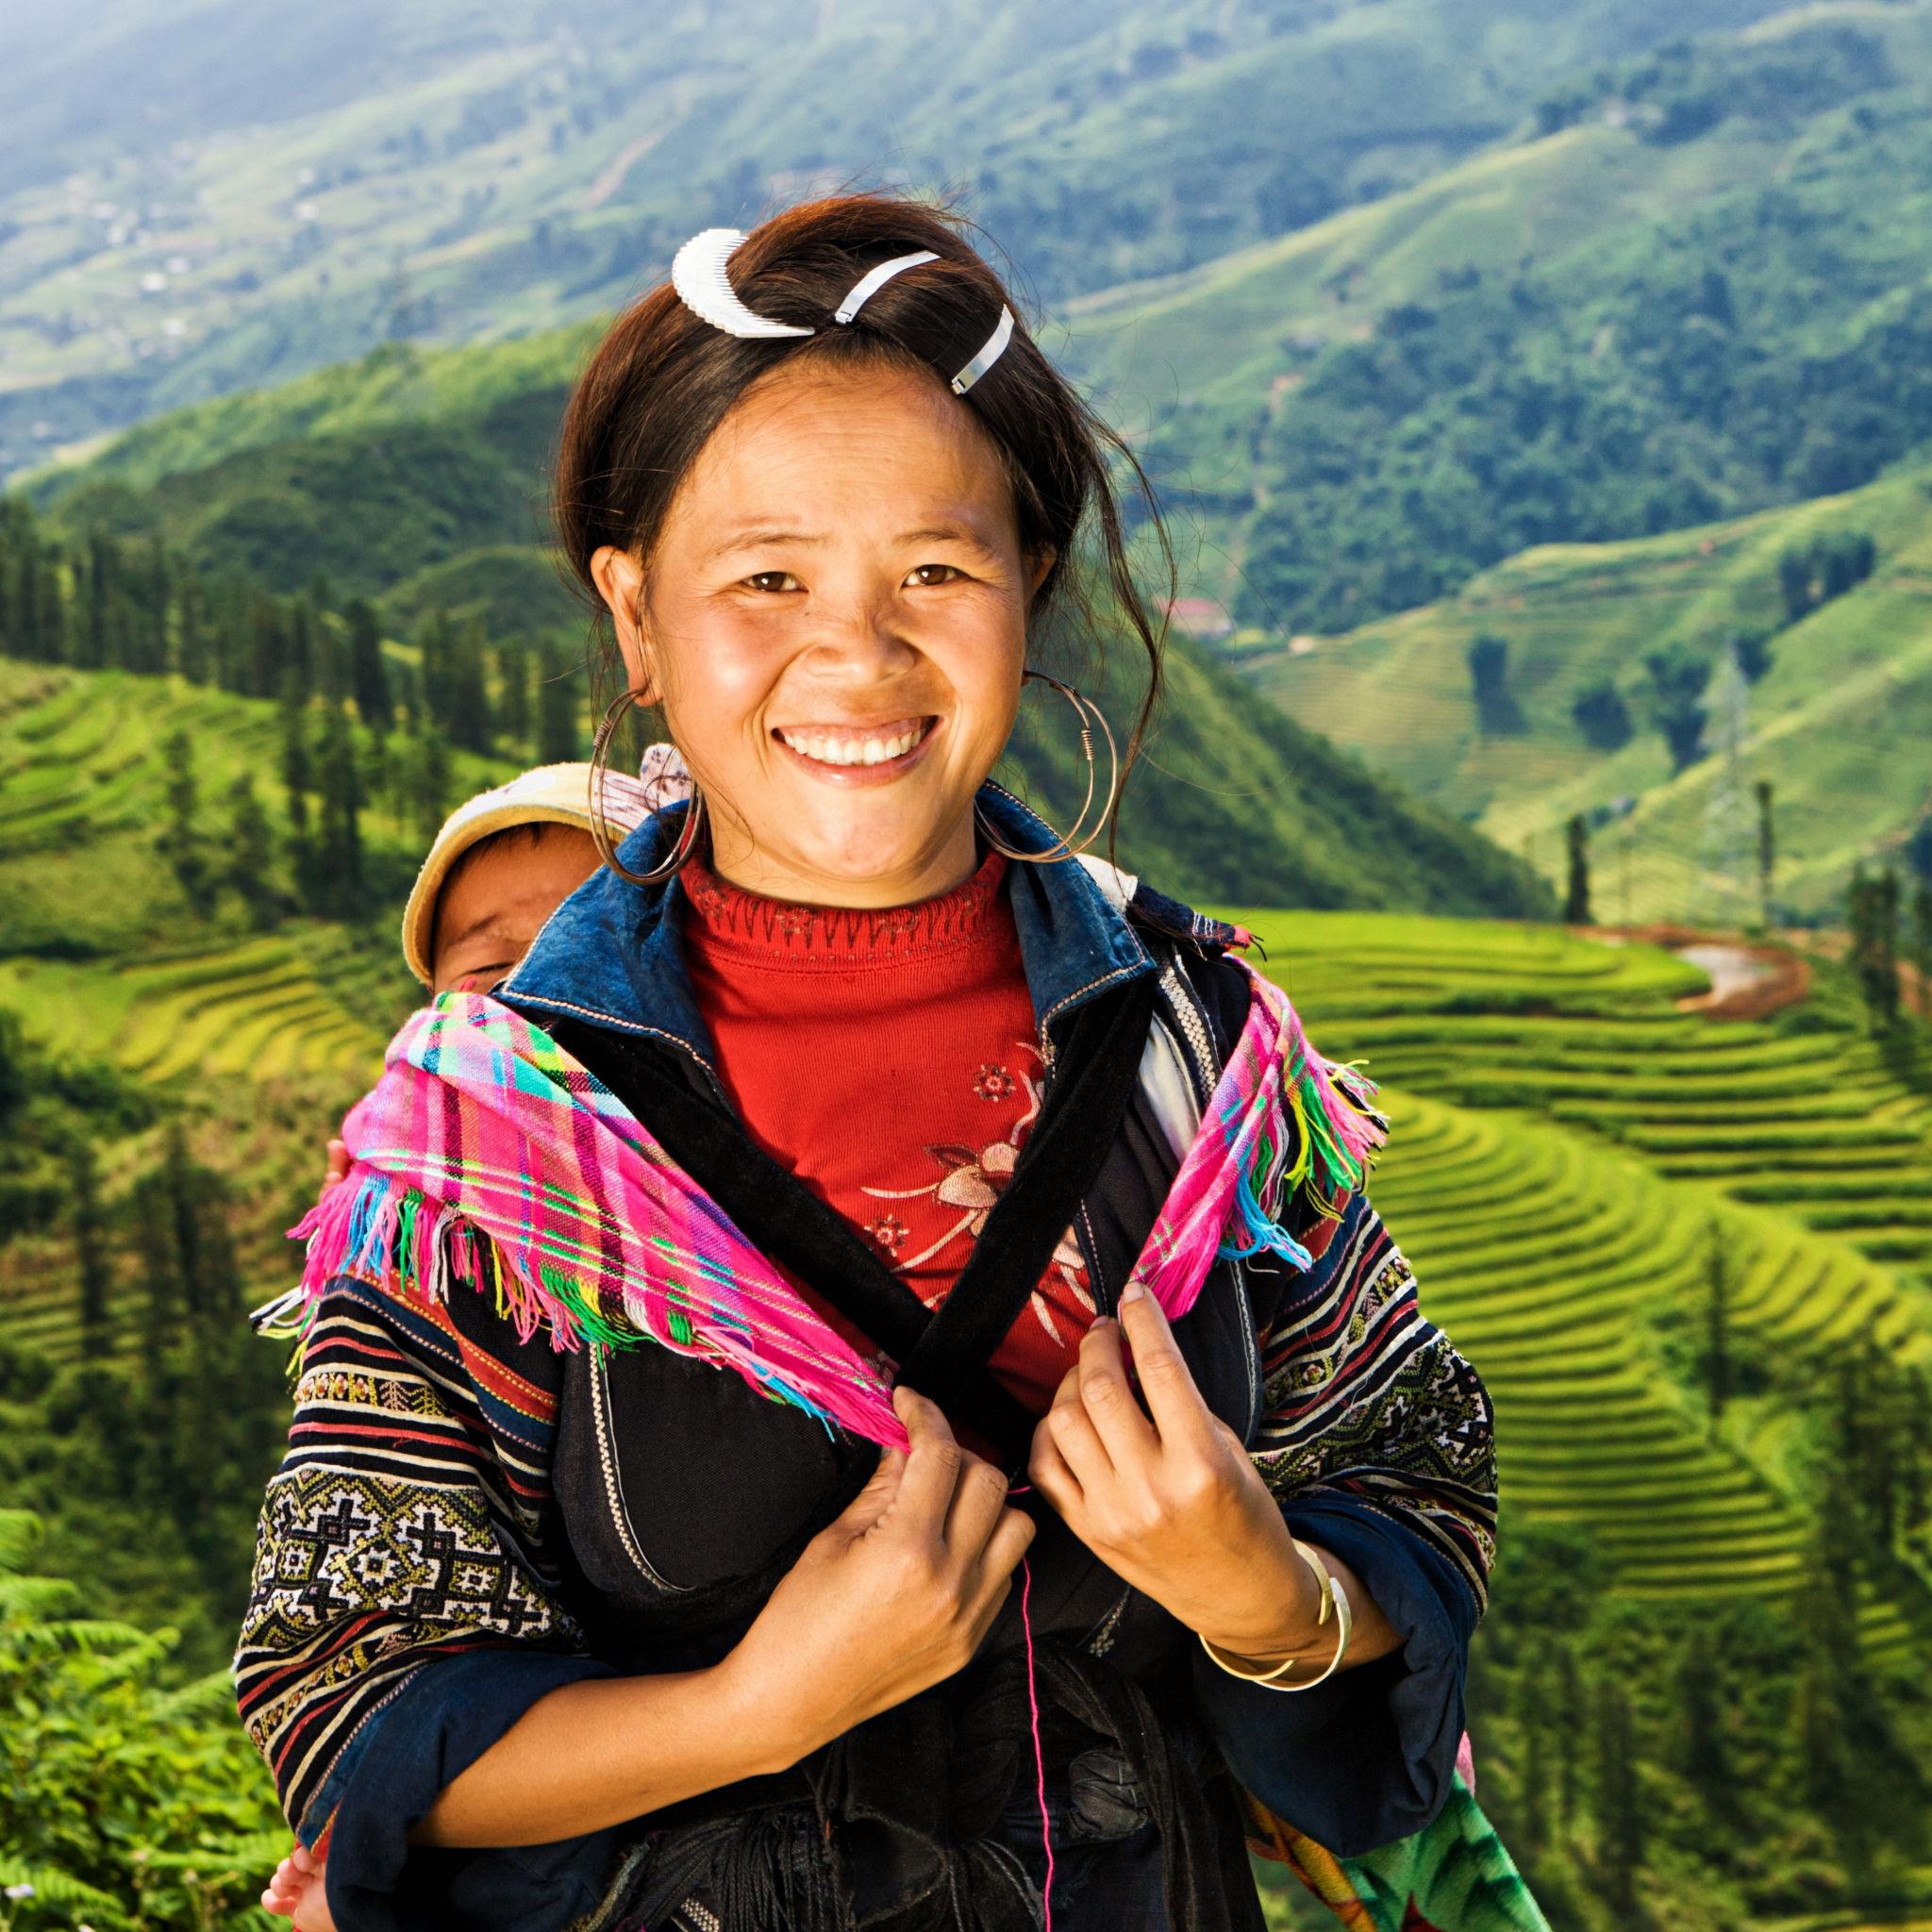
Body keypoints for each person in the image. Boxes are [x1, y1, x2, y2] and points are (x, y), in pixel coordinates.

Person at [236, 192, 1515, 1932]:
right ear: (636, 615)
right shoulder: (505, 1137)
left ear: (1029, 587)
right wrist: (755, 1710)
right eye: (766, 578)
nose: (858, 651)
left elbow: (1413, 1459)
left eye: (936, 570)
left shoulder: (1191, 1048)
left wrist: (1271, 1598)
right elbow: (349, 1687)